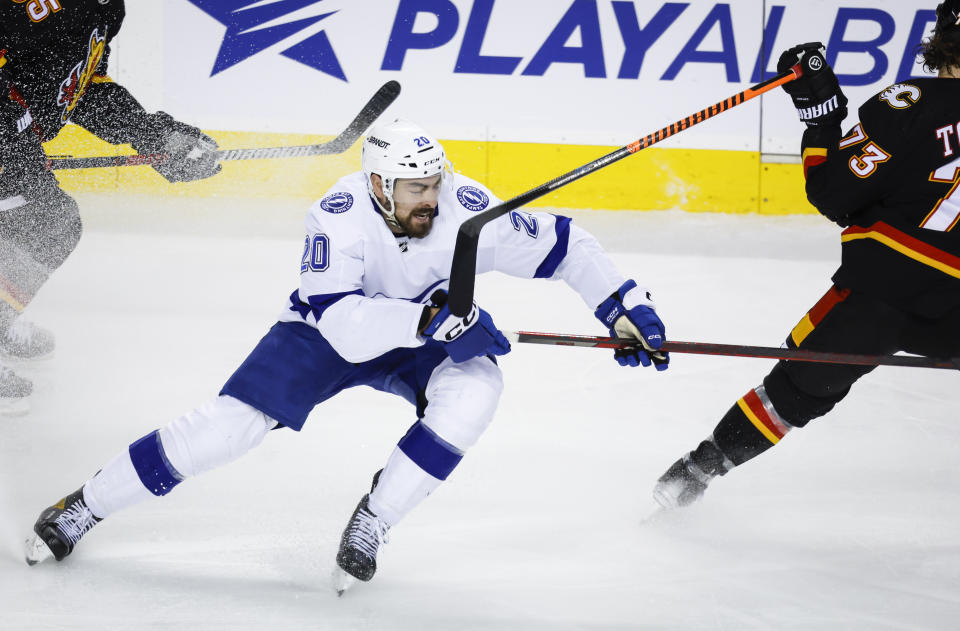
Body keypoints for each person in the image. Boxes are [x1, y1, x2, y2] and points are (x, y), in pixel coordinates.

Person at [24, 118, 669, 590]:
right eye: (415, 189)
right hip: (329, 330)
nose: (431, 198)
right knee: (226, 431)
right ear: (380, 186)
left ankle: (375, 519)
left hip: (425, 331)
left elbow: (565, 245)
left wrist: (621, 306)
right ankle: (85, 504)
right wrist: (432, 322)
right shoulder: (336, 216)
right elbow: (345, 325)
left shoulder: (463, 208)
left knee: (476, 393)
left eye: (434, 183)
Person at [652, 2, 960, 510]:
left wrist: (822, 120)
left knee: (794, 392)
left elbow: (835, 194)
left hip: (882, 296)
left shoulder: (910, 103)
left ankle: (695, 473)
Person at [0, 0, 220, 415]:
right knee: (47, 219)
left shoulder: (107, 8)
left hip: (12, 137)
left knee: (36, 221)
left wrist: (152, 135)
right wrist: (11, 135)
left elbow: (84, 91)